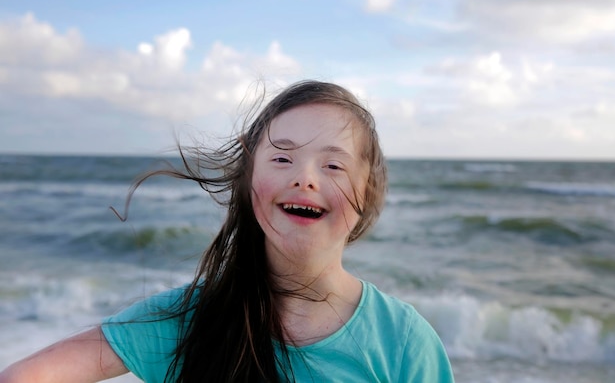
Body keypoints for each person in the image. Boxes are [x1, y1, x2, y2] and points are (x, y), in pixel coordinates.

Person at [0, 80, 454, 382]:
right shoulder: (187, 320)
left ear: (367, 194)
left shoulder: (403, 341)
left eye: (333, 164)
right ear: (248, 181)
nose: (306, 178)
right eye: (281, 157)